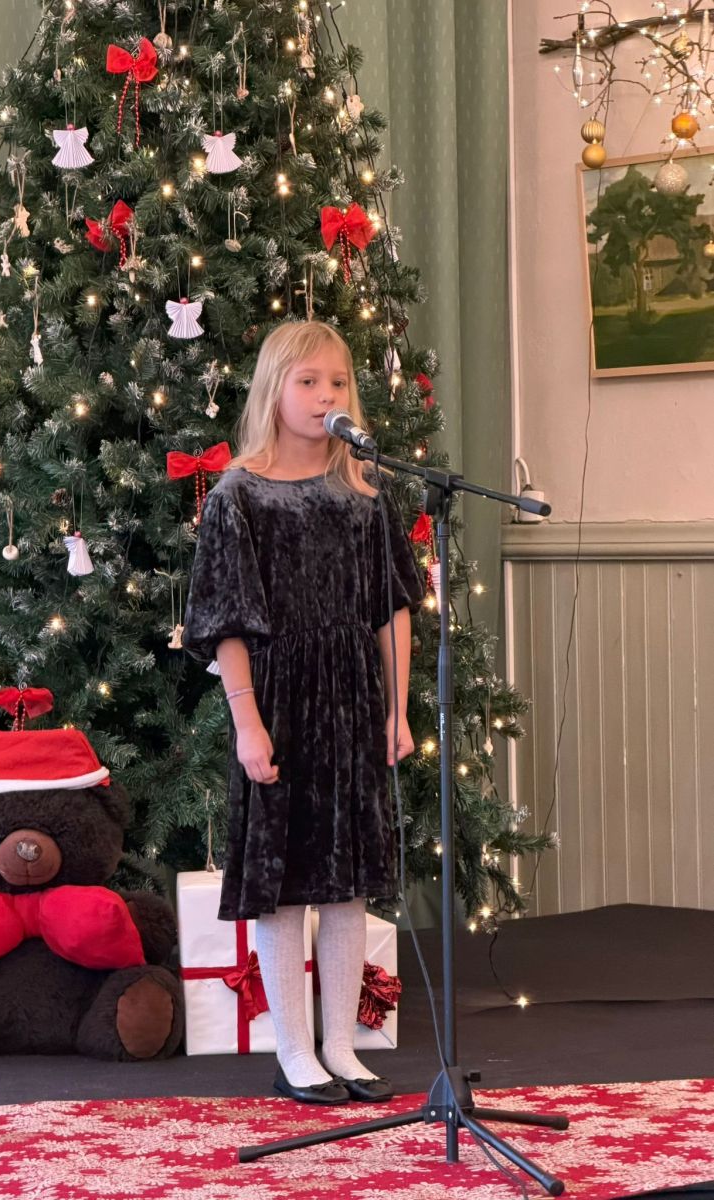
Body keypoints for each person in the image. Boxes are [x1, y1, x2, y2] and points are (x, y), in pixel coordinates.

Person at [182, 320, 424, 1105]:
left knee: (346, 879)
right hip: (279, 696)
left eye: (337, 382)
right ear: (273, 389)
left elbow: (391, 607)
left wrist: (395, 710)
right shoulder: (238, 494)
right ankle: (294, 1051)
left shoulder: (364, 492)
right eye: (308, 381)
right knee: (284, 881)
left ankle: (340, 1048)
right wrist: (247, 724)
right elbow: (224, 623)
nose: (325, 397)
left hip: (352, 695)